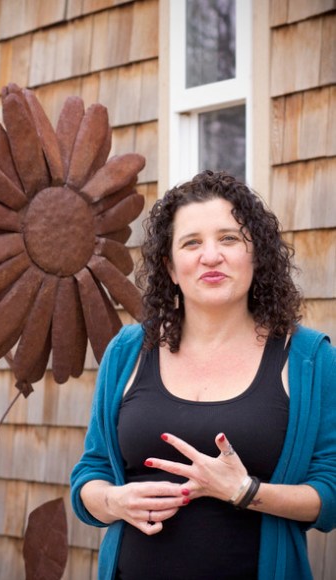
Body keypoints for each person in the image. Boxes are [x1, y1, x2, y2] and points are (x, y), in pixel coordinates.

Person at [70, 170, 336, 580]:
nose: (210, 256)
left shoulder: (308, 358)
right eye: (191, 243)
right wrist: (113, 502)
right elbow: (92, 472)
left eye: (229, 239)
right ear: (171, 268)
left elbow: (330, 491)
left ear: (257, 255)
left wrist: (244, 491)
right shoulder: (127, 351)